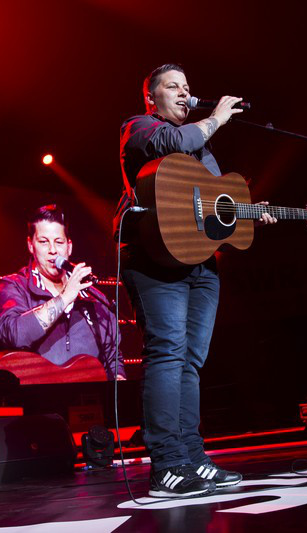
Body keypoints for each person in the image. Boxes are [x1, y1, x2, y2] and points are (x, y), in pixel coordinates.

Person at [117, 64, 276, 498]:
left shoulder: (202, 151)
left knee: (190, 360)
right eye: (174, 87)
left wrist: (244, 215)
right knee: (167, 353)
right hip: (153, 259)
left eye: (188, 87)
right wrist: (216, 119)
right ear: (151, 98)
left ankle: (191, 457)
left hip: (199, 265)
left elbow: (211, 211)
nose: (186, 94)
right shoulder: (140, 128)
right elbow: (172, 141)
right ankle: (166, 465)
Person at [0, 204, 125, 381]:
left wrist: (119, 377)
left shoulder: (91, 296)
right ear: (30, 245)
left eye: (59, 242)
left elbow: (112, 357)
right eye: (43, 242)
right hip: (37, 401)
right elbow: (15, 335)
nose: (53, 250)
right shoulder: (14, 285)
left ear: (69, 247)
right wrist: (64, 298)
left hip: (87, 402)